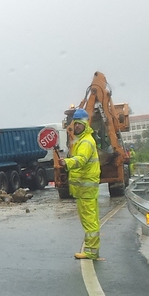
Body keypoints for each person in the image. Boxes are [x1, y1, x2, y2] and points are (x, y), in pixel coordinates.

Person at [59, 108, 101, 260]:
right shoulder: (82, 140)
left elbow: (81, 160)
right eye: (75, 124)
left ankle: (91, 251)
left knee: (89, 221)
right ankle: (93, 250)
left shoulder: (86, 142)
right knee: (91, 220)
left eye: (79, 124)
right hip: (85, 189)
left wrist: (67, 162)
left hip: (86, 189)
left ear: (85, 124)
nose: (77, 126)